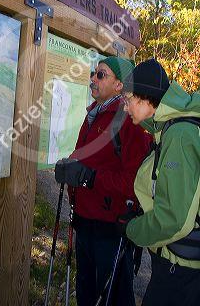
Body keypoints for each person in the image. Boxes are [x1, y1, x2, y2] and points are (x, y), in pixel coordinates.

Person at [55, 56, 152, 306]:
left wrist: (90, 177)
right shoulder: (93, 116)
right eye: (93, 73)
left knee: (115, 296)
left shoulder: (130, 121)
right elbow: (83, 158)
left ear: (119, 85)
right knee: (86, 293)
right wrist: (69, 170)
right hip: (85, 223)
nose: (93, 79)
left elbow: (135, 183)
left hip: (111, 229)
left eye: (101, 74)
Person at [122, 58, 200, 306]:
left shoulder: (178, 135)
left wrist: (132, 229)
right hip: (180, 266)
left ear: (146, 98)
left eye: (128, 100)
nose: (125, 107)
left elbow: (174, 219)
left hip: (181, 272)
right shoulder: (171, 128)